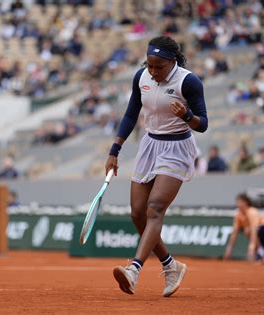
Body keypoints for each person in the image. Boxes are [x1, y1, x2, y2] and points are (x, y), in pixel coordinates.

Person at [105, 36, 208, 297]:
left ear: (172, 62)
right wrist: (114, 149)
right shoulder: (141, 77)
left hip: (177, 148)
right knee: (137, 213)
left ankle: (134, 270)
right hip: (149, 145)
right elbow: (130, 114)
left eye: (159, 67)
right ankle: (171, 265)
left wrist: (186, 116)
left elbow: (203, 123)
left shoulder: (189, 82)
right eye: (149, 65)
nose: (153, 71)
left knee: (154, 209)